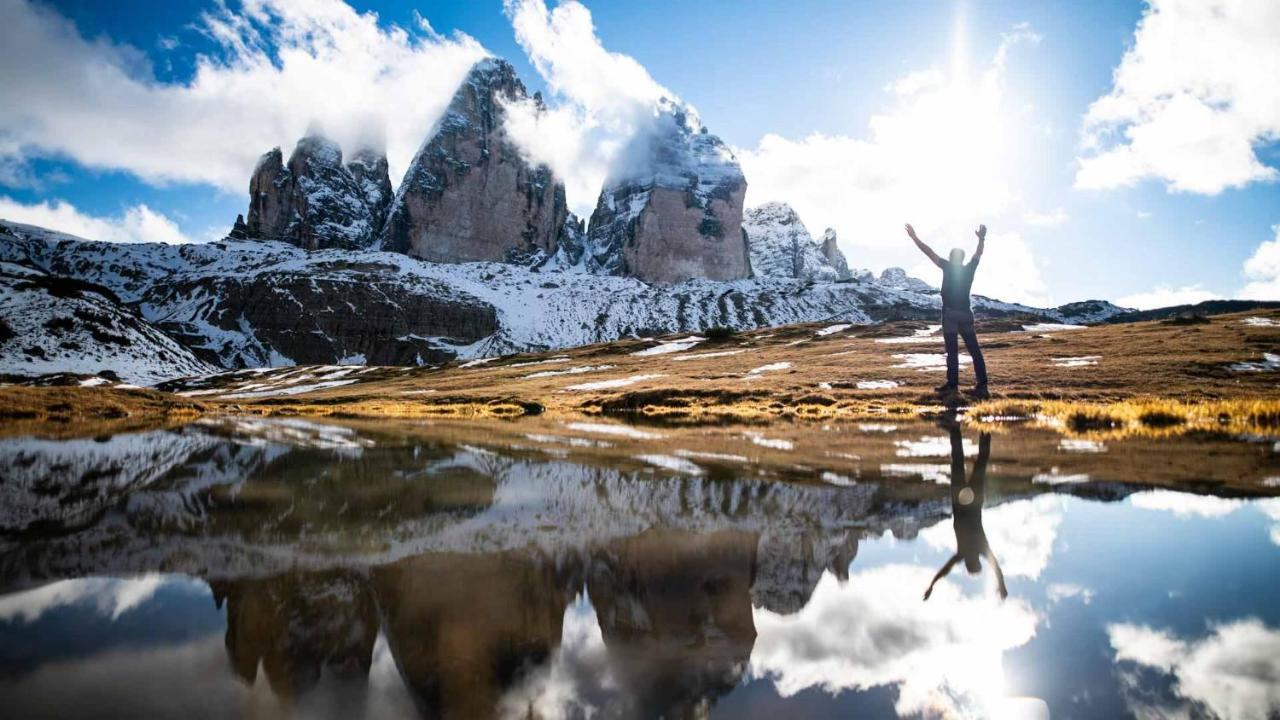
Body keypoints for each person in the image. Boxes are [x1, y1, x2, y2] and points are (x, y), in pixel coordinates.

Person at [905, 223, 990, 398]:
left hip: (950, 314)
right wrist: (981, 238)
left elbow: (929, 253)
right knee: (974, 350)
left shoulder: (947, 266)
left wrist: (914, 238)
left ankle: (952, 386)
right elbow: (979, 253)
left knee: (952, 351)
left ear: (951, 258)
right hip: (966, 314)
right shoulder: (969, 269)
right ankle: (982, 386)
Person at [923, 427, 1006, 601]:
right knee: (959, 462)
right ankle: (959, 430)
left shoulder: (980, 550)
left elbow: (996, 569)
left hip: (971, 499)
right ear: (971, 562)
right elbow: (946, 570)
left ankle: (982, 430)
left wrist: (1002, 586)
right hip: (962, 500)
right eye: (970, 563)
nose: (969, 561)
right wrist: (931, 585)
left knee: (978, 463)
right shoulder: (965, 553)